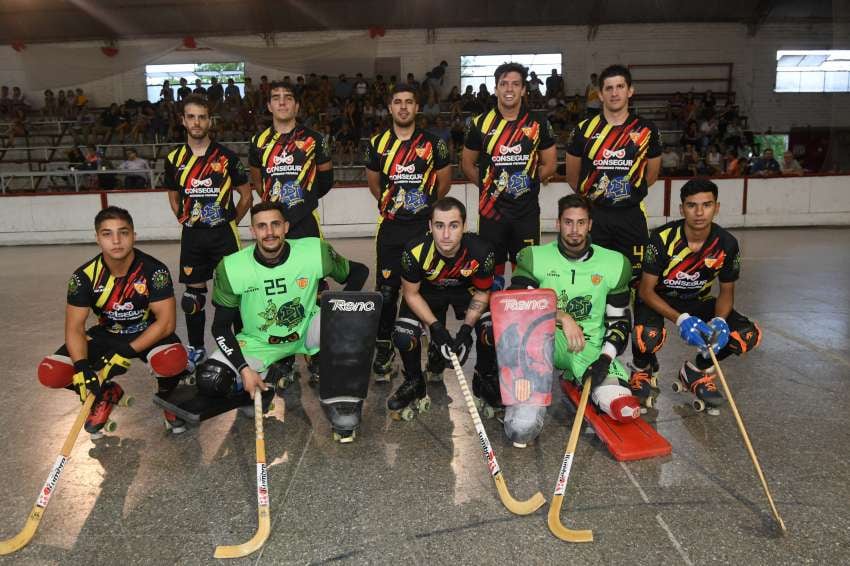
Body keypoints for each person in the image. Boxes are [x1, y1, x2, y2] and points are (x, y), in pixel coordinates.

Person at [36, 207, 192, 437]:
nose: (116, 240)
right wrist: (82, 367)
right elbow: (74, 328)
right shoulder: (83, 277)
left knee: (172, 361)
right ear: (97, 238)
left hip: (147, 330)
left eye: (123, 232)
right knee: (53, 373)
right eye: (107, 234)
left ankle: (168, 400)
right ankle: (104, 394)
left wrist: (125, 351)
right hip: (107, 332)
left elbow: (166, 323)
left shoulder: (154, 270)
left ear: (134, 235)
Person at [203, 201, 368, 400]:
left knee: (349, 361)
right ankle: (270, 375)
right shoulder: (231, 267)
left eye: (276, 224)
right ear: (252, 231)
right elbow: (220, 328)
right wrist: (244, 369)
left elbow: (359, 272)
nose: (269, 232)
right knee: (211, 380)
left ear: (286, 227)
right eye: (261, 226)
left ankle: (321, 362)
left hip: (309, 330)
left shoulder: (315, 251)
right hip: (260, 341)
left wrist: (337, 309)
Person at [629, 178, 761, 412]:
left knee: (746, 335)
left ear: (716, 207)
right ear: (682, 209)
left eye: (706, 205)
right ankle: (642, 369)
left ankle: (696, 370)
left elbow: (727, 291)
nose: (699, 212)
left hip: (697, 300)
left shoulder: (727, 244)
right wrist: (680, 319)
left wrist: (720, 321)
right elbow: (646, 290)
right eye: (692, 205)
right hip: (658, 299)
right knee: (647, 337)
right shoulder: (661, 239)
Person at [509, 195, 638, 430]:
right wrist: (562, 317)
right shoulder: (533, 257)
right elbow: (518, 305)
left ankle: (581, 375)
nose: (574, 230)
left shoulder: (615, 263)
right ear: (558, 224)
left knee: (622, 405)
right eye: (568, 222)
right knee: (521, 428)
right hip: (543, 342)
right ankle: (530, 396)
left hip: (587, 344)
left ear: (590, 224)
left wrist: (604, 359)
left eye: (581, 222)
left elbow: (619, 322)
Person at [248, 81, 335, 384]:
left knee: (314, 288)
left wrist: (304, 202)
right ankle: (282, 358)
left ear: (297, 106)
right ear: (269, 106)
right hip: (274, 227)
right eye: (276, 98)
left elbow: (326, 179)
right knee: (277, 289)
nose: (282, 102)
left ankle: (316, 354)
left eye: (288, 98)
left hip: (306, 223)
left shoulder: (314, 139)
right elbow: (257, 181)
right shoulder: (259, 142)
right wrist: (275, 211)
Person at [365, 83, 452, 381]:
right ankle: (384, 349)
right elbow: (374, 184)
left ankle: (436, 353)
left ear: (417, 108)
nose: (403, 107)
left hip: (423, 229)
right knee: (388, 293)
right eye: (397, 102)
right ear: (390, 108)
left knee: (430, 290)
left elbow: (444, 184)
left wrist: (425, 210)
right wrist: (391, 205)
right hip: (390, 228)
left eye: (409, 102)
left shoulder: (434, 144)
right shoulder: (377, 144)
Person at [164, 94, 253, 370]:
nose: (197, 122)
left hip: (223, 235)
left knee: (234, 294)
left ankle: (241, 346)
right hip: (193, 236)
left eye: (202, 116)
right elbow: (173, 195)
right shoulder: (174, 158)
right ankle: (197, 348)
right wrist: (184, 218)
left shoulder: (226, 157)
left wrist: (231, 222)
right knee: (193, 298)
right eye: (191, 116)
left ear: (209, 121)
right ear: (183, 120)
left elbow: (246, 196)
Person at [387, 197, 496, 418]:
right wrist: (436, 328)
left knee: (491, 329)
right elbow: (410, 294)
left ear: (464, 226)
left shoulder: (482, 251)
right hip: (426, 293)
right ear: (430, 226)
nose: (446, 235)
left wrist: (465, 331)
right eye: (439, 226)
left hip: (465, 293)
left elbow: (483, 292)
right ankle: (414, 382)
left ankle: (483, 378)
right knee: (403, 334)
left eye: (453, 226)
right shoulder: (414, 251)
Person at [462, 62, 557, 292]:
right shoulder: (479, 124)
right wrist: (489, 188)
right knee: (491, 274)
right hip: (491, 214)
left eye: (515, 84)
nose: (509, 89)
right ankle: (491, 323)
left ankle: (522, 320)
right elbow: (467, 164)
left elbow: (550, 164)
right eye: (503, 84)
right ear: (495, 89)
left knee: (524, 272)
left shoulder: (539, 123)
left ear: (524, 89)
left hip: (526, 213)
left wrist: (530, 183)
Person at [566, 64, 662, 286]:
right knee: (592, 276)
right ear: (600, 94)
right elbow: (573, 177)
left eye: (620, 86)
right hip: (595, 216)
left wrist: (629, 194)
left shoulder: (647, 130)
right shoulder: (583, 129)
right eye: (608, 88)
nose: (615, 93)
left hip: (631, 215)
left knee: (636, 278)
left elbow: (652, 174)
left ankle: (630, 321)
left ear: (630, 91)